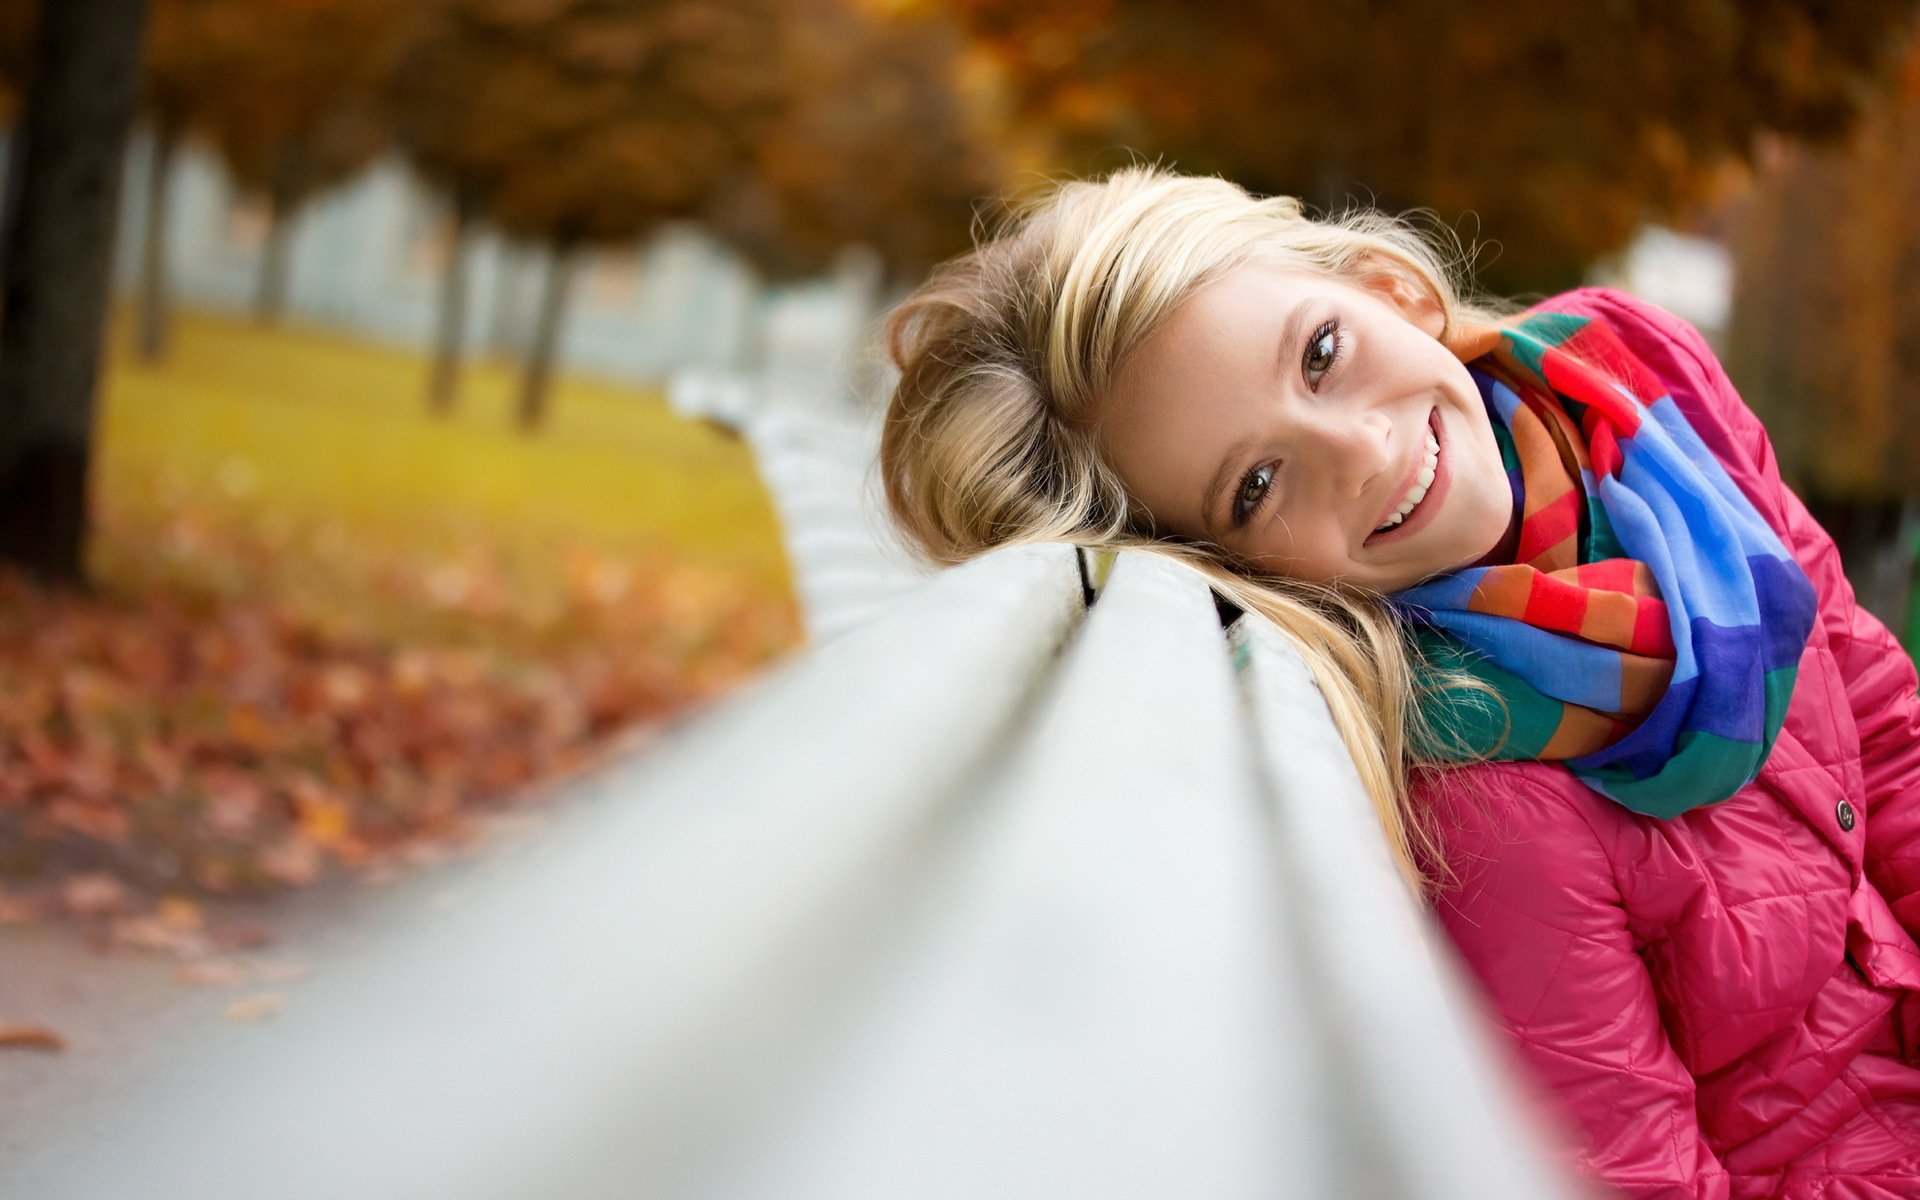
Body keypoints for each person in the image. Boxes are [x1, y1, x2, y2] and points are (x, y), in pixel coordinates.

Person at [877, 166, 1920, 1199]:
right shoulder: (1483, 803)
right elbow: (1636, 1178)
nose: (1363, 449)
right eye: (1255, 485)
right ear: (1236, 572)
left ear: (1389, 288)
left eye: (1320, 354)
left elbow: (1877, 711)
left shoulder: (1645, 393)